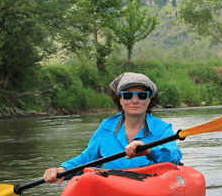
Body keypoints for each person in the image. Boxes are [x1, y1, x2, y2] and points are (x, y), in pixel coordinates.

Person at [43, 72, 182, 183]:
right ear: (120, 100)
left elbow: (173, 157)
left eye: (141, 95)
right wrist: (62, 169)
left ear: (149, 99)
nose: (135, 100)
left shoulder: (162, 129)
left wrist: (148, 151)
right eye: (127, 95)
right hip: (115, 184)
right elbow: (87, 158)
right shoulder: (106, 128)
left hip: (150, 184)